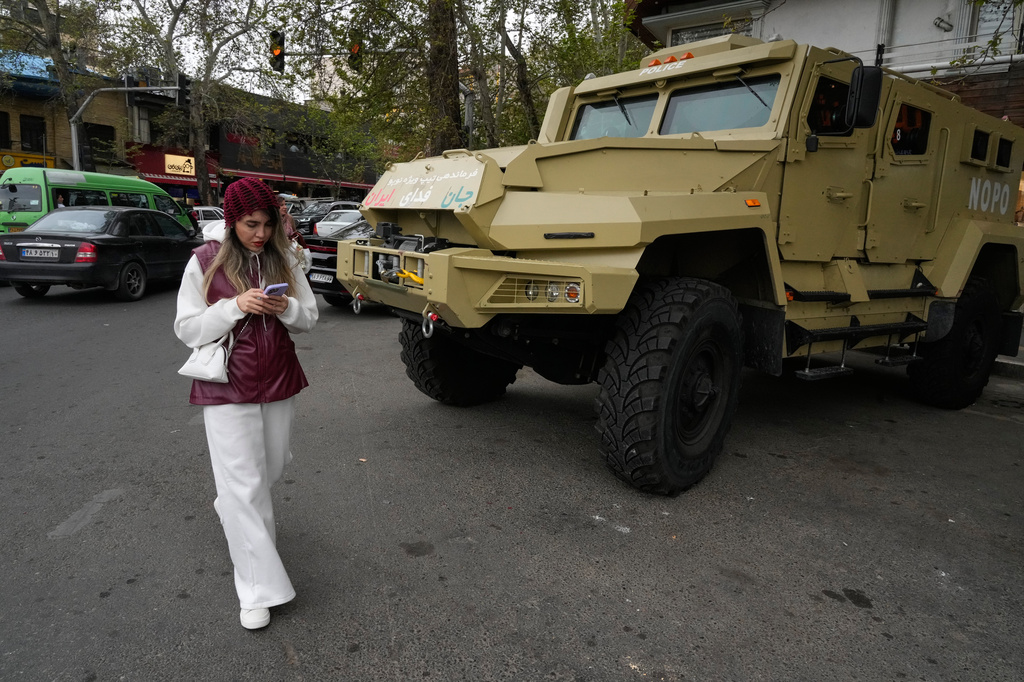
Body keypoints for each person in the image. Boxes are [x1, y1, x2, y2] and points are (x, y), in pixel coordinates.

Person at [173, 177, 319, 630]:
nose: (260, 233)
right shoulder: (204, 261)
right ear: (231, 219)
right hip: (225, 383)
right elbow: (187, 329)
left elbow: (309, 318)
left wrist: (287, 309)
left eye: (268, 223)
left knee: (269, 471)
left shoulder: (286, 258)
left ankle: (232, 507)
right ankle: (256, 590)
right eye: (250, 224)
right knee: (245, 488)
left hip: (277, 379)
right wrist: (234, 305)